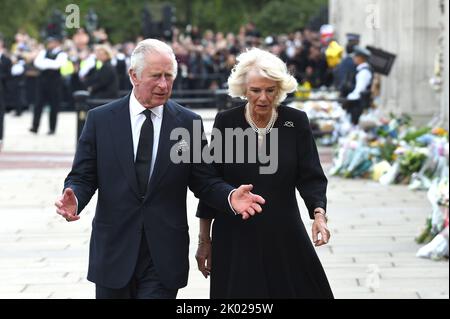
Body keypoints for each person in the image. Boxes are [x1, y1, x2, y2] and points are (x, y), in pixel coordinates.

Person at [54, 39, 265, 299]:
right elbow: (83, 176)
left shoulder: (187, 124)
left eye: (169, 76)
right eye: (156, 76)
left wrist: (230, 197)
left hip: (163, 254)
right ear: (134, 75)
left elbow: (204, 181)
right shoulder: (101, 120)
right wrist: (74, 196)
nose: (164, 85)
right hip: (114, 251)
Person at [195, 48, 334, 299]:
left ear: (279, 89)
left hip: (284, 233)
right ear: (243, 89)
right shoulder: (226, 122)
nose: (262, 98)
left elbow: (311, 176)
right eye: (255, 90)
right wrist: (204, 240)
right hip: (235, 235)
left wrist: (319, 214)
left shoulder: (296, 121)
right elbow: (210, 183)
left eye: (270, 90)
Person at [30, 36, 67, 134]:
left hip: (54, 83)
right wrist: (49, 63)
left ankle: (52, 128)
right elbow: (37, 63)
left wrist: (45, 62)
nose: (49, 44)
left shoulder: (62, 54)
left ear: (57, 43)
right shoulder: (43, 52)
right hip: (42, 82)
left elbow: (57, 65)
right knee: (38, 104)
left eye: (52, 42)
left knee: (54, 106)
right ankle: (35, 126)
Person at [343, 45, 373, 126]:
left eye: (356, 56)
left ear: (361, 58)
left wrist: (347, 99)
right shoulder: (361, 70)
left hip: (358, 106)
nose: (354, 58)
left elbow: (359, 91)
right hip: (357, 104)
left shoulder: (364, 72)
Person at [0, 34, 12, 151]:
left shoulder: (6, 60)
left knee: (0, 117)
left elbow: (9, 77)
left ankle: (0, 139)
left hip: (1, 92)